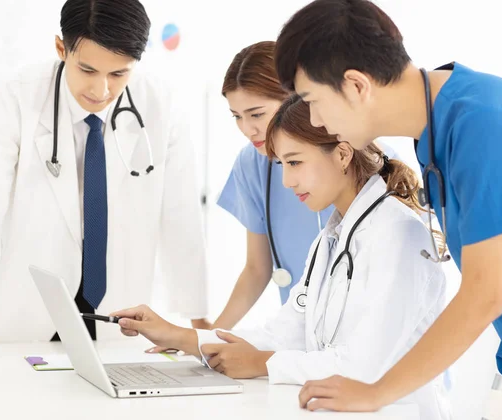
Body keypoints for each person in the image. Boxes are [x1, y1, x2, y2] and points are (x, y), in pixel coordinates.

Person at [273, 0, 502, 418]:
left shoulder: (483, 121)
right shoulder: (437, 135)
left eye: (313, 101)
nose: (316, 121)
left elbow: (485, 294)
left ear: (357, 85)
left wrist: (375, 392)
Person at [111, 95, 451, 419]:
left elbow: (364, 367)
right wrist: (180, 337)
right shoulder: (329, 240)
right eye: (281, 165)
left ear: (343, 154)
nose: (287, 181)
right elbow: (284, 332)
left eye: (295, 162)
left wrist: (263, 363)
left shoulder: (399, 234)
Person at [0, 0, 210, 342]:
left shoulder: (161, 105)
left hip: (118, 309)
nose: (102, 91)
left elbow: (180, 214)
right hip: (25, 310)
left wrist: (196, 319)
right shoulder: (13, 99)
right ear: (60, 48)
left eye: (118, 74)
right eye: (87, 70)